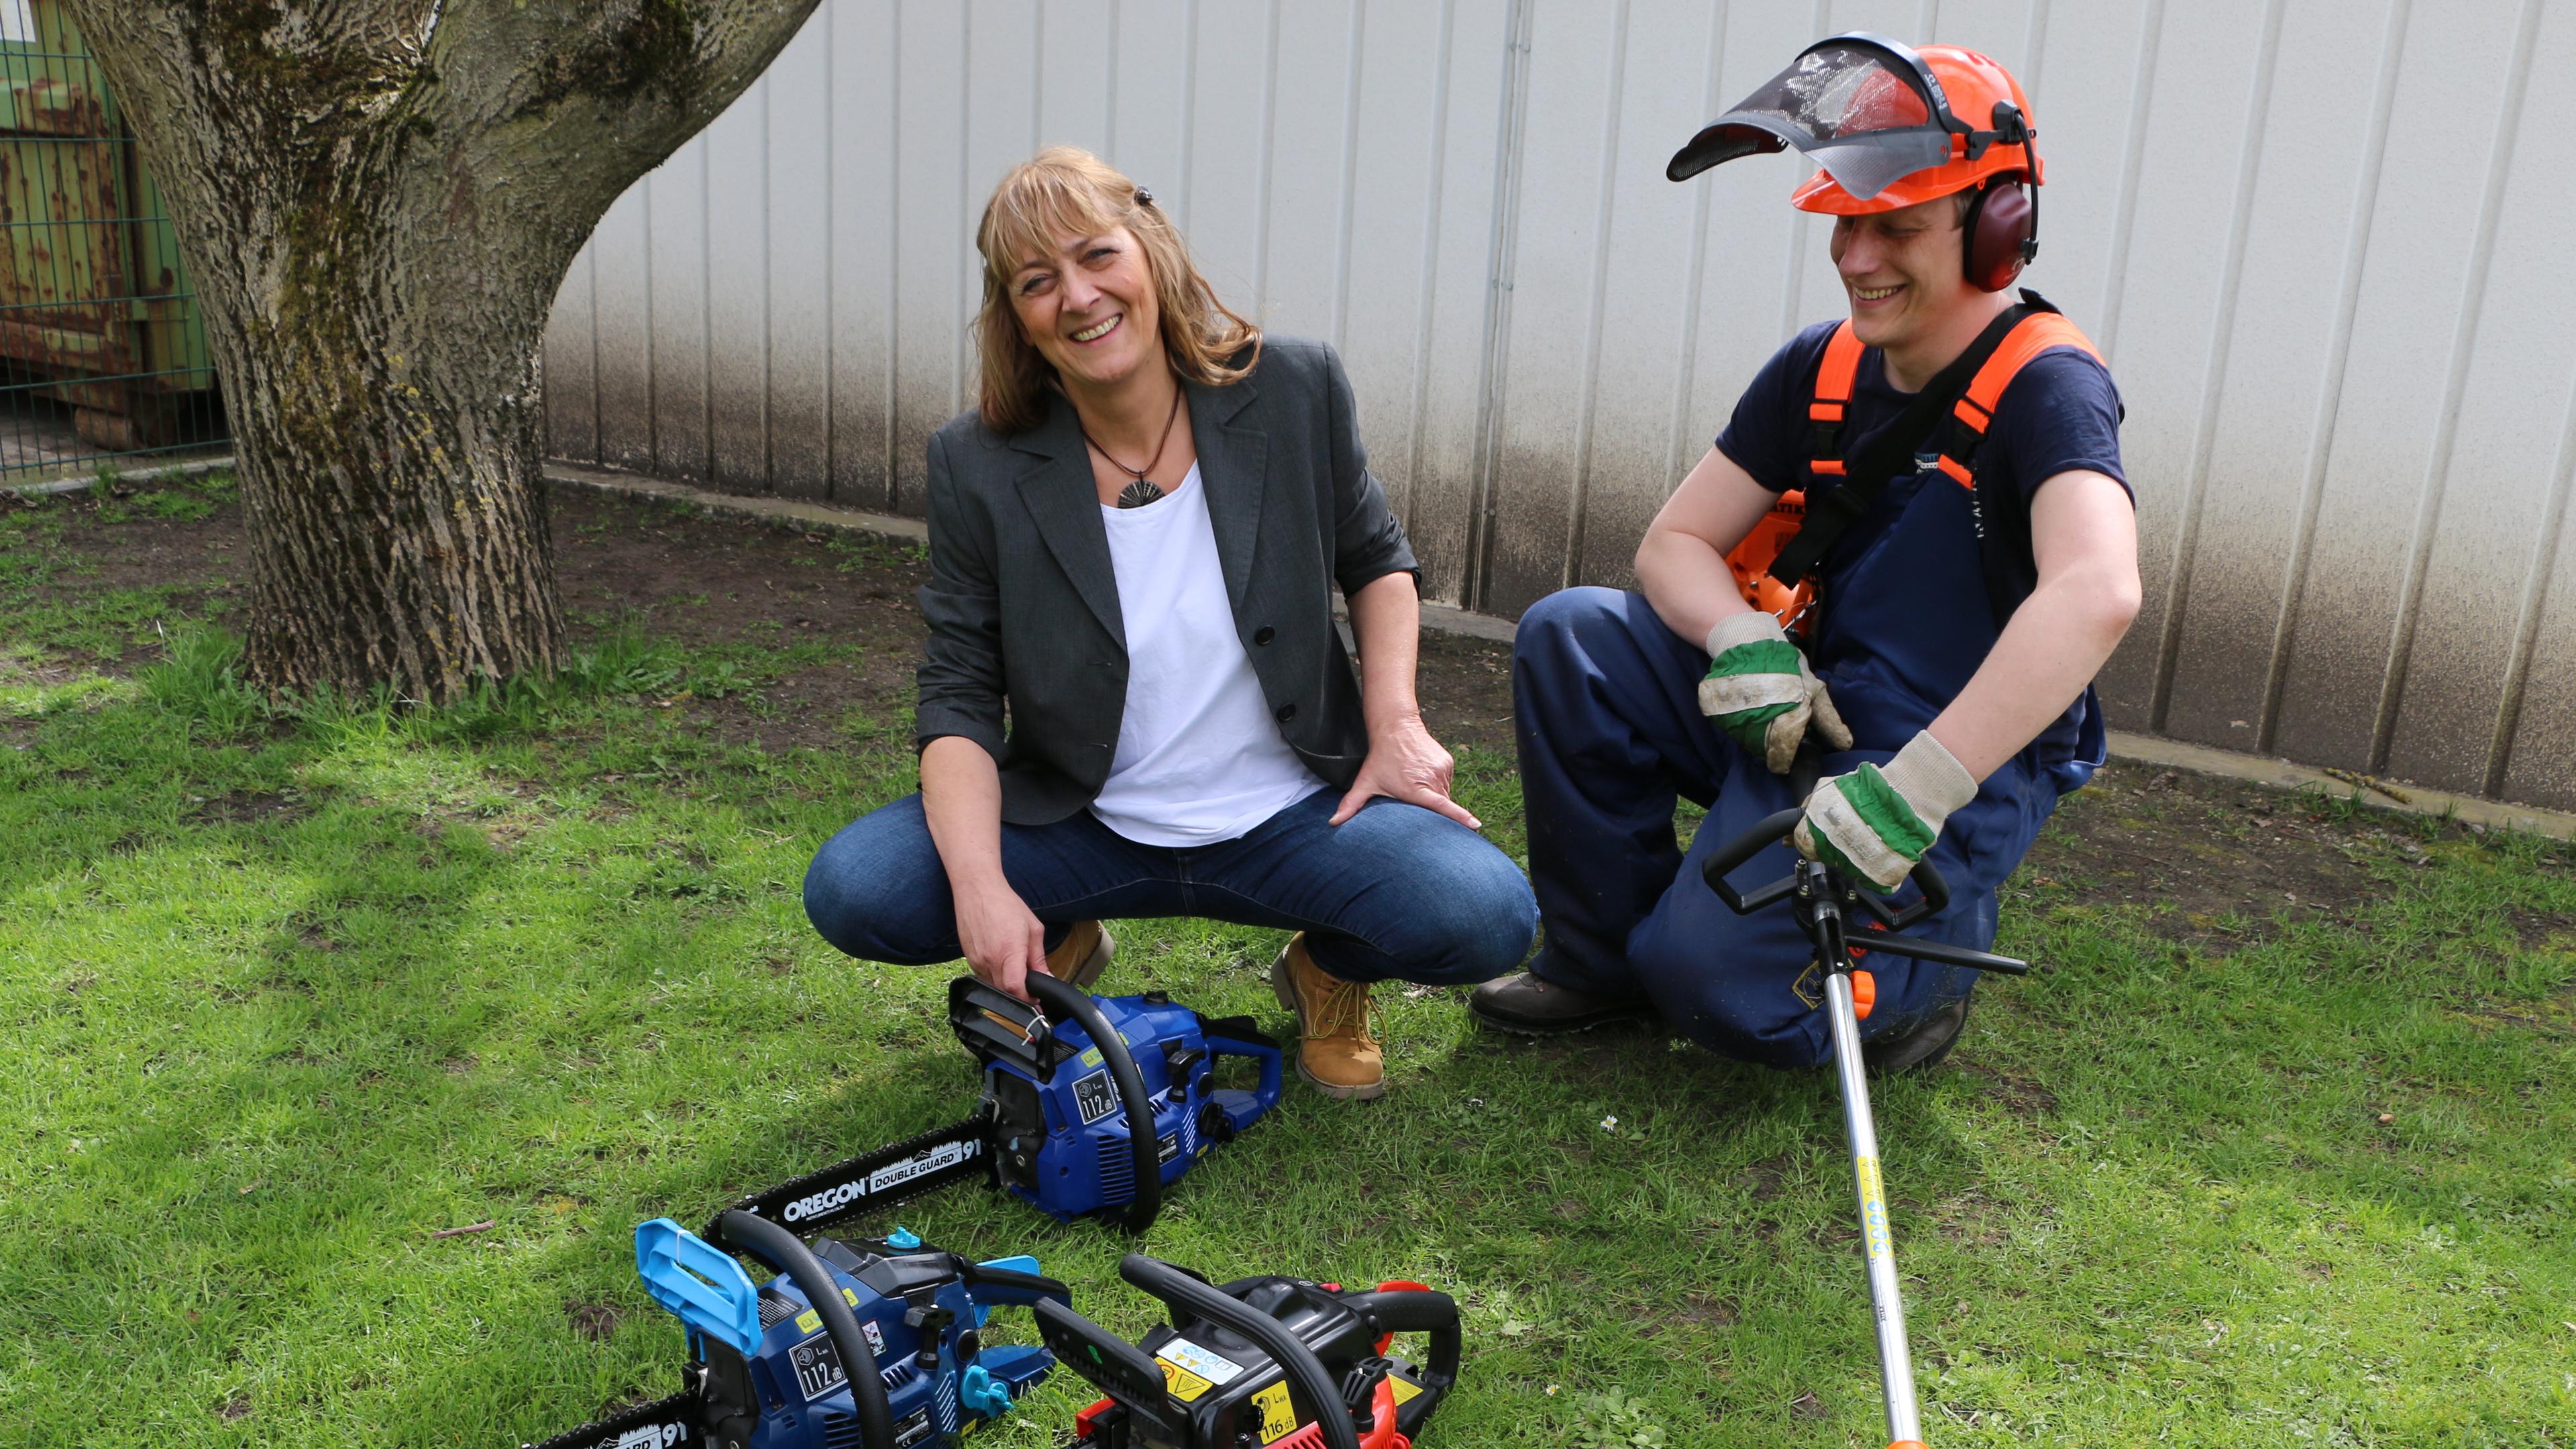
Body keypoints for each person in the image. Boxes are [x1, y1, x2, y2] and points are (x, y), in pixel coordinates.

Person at [804, 147, 1536, 1101]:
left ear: (1149, 251)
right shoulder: (976, 461)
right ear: (1016, 317)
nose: (1077, 296)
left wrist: (1395, 722)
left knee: (1485, 915)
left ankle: (1330, 972)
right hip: (1082, 819)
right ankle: (1057, 928)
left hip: (1293, 813)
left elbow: (1378, 560)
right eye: (1037, 281)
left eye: (1096, 255)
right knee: (859, 889)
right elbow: (958, 693)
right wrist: (985, 888)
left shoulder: (1294, 388)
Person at [1472, 38, 2139, 1071]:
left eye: (1897, 228)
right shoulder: (1820, 366)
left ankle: (1927, 975)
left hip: (1943, 753)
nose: (1858, 259)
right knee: (1577, 638)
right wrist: (1741, 638)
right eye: (1845, 224)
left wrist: (1918, 787)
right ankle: (1600, 962)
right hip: (1815, 709)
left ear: (1999, 229)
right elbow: (1676, 544)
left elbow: (2097, 591)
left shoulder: (2048, 387)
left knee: (1716, 995)